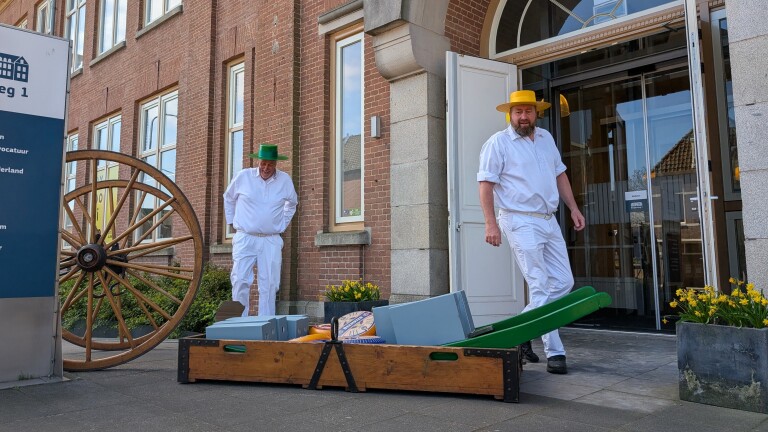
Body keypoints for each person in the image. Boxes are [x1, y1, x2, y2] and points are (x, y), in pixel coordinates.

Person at [477, 90, 585, 374]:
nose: (523, 117)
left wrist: (573, 208)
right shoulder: (498, 144)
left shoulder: (547, 138)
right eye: (518, 112)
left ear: (537, 113)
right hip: (519, 220)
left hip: (548, 220)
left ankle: (523, 331)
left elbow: (560, 174)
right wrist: (490, 223)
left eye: (528, 111)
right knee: (540, 285)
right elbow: (485, 185)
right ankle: (555, 353)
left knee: (563, 281)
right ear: (509, 115)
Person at [224, 143, 298, 316]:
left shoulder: (284, 180)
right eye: (263, 163)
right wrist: (231, 222)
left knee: (270, 283)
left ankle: (266, 323)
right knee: (240, 279)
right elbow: (228, 198)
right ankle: (239, 323)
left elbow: (292, 204)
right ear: (258, 161)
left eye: (270, 164)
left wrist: (281, 224)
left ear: (276, 163)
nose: (266, 167)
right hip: (245, 236)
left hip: (271, 238)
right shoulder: (243, 176)